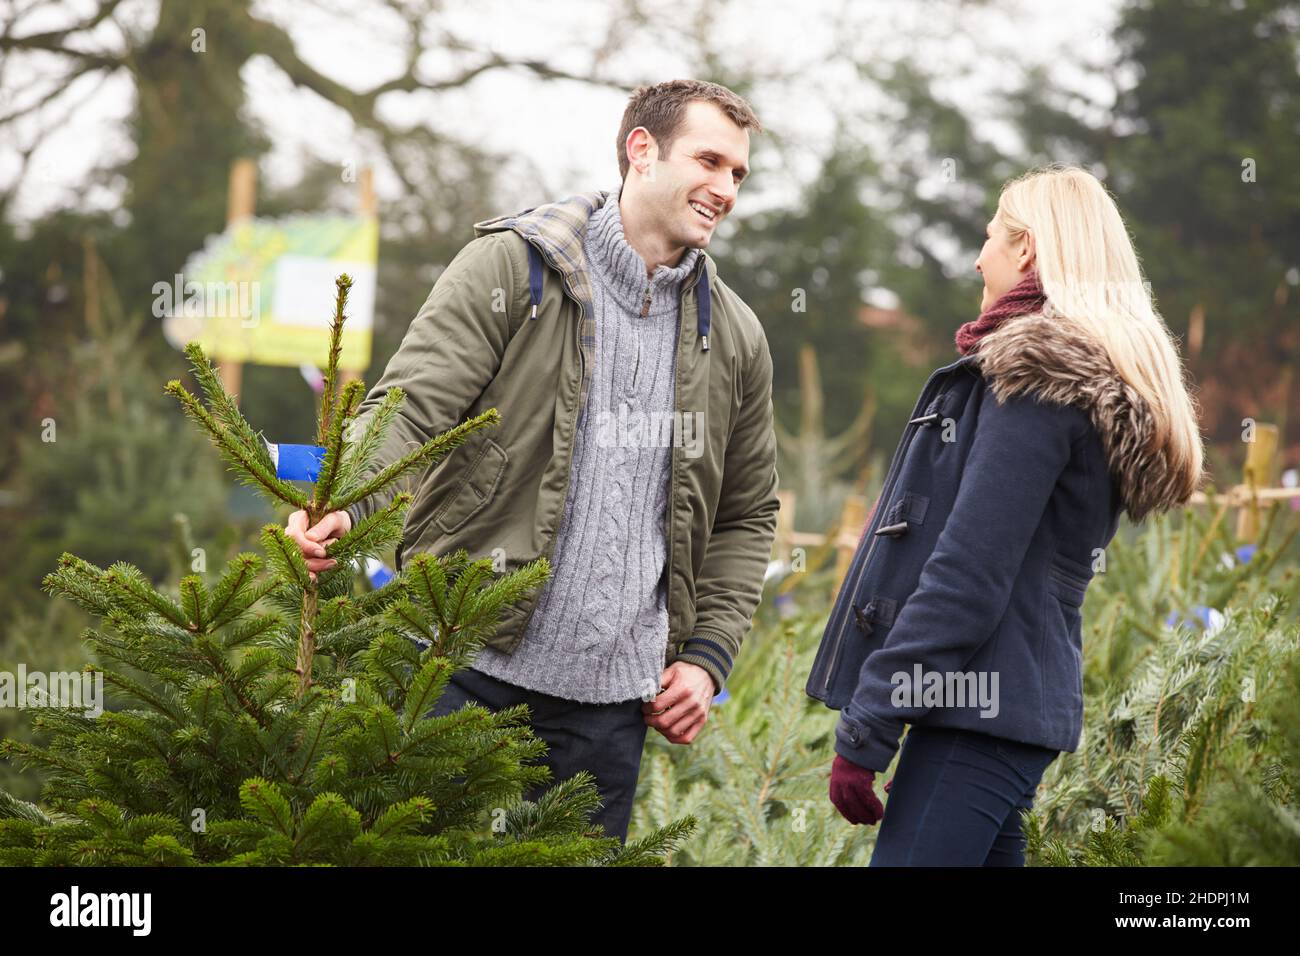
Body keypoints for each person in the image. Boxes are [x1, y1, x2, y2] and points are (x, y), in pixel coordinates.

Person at [285, 79, 779, 844]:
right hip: (456, 669)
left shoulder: (737, 337)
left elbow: (747, 515)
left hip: (608, 716)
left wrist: (707, 658)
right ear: (640, 151)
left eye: (739, 173)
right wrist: (345, 500)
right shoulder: (512, 270)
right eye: (709, 161)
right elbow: (412, 407)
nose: (725, 188)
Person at [807, 164, 1205, 865]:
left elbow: (967, 576)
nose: (977, 256)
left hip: (977, 716)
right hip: (991, 711)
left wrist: (872, 722)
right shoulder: (1065, 379)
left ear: (1025, 249)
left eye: (990, 235)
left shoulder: (1037, 383)